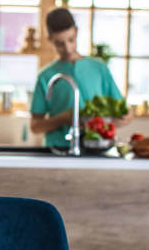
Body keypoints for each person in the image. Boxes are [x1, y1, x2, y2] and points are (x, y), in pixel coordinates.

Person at [30, 8, 131, 147]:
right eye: (59, 43)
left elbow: (125, 113)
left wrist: (107, 122)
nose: (67, 48)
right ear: (49, 40)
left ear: (76, 31)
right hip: (57, 149)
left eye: (71, 40)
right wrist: (62, 119)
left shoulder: (99, 69)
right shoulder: (45, 76)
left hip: (95, 147)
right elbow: (35, 126)